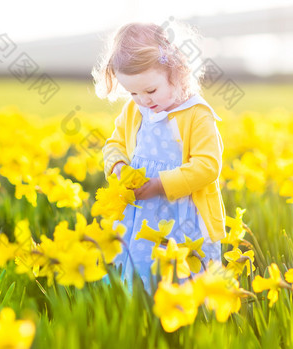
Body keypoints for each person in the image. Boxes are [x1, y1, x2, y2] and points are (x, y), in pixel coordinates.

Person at [92, 21, 226, 295]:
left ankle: (182, 316)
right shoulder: (135, 110)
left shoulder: (197, 115)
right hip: (139, 214)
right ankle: (140, 315)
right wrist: (118, 166)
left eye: (150, 91)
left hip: (183, 212)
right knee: (138, 273)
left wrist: (161, 185)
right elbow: (114, 144)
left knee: (181, 276)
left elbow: (207, 166)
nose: (142, 99)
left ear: (176, 74)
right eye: (132, 92)